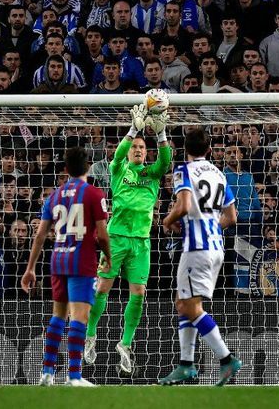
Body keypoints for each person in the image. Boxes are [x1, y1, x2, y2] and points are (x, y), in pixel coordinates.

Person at [84, 103, 171, 376]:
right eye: (135, 147)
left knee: (140, 293)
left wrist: (161, 134)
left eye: (141, 148)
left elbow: (165, 162)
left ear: (146, 153)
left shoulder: (152, 174)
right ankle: (90, 336)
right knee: (102, 288)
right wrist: (133, 129)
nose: (137, 150)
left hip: (141, 242)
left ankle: (125, 344)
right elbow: (118, 153)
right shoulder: (119, 170)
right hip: (116, 239)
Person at [21, 146, 111, 387]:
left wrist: (30, 268)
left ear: (65, 169)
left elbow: (40, 235)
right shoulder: (94, 194)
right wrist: (109, 257)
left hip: (58, 260)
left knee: (57, 317)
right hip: (82, 261)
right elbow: (102, 236)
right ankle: (74, 375)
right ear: (89, 166)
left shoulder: (55, 195)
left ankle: (47, 373)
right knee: (79, 318)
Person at [159, 128, 241, 386]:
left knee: (189, 306)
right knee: (182, 300)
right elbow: (231, 217)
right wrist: (211, 226)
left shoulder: (183, 170)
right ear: (208, 149)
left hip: (196, 247)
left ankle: (226, 359)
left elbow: (182, 206)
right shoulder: (219, 174)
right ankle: (186, 364)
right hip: (215, 246)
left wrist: (167, 219)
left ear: (185, 149)